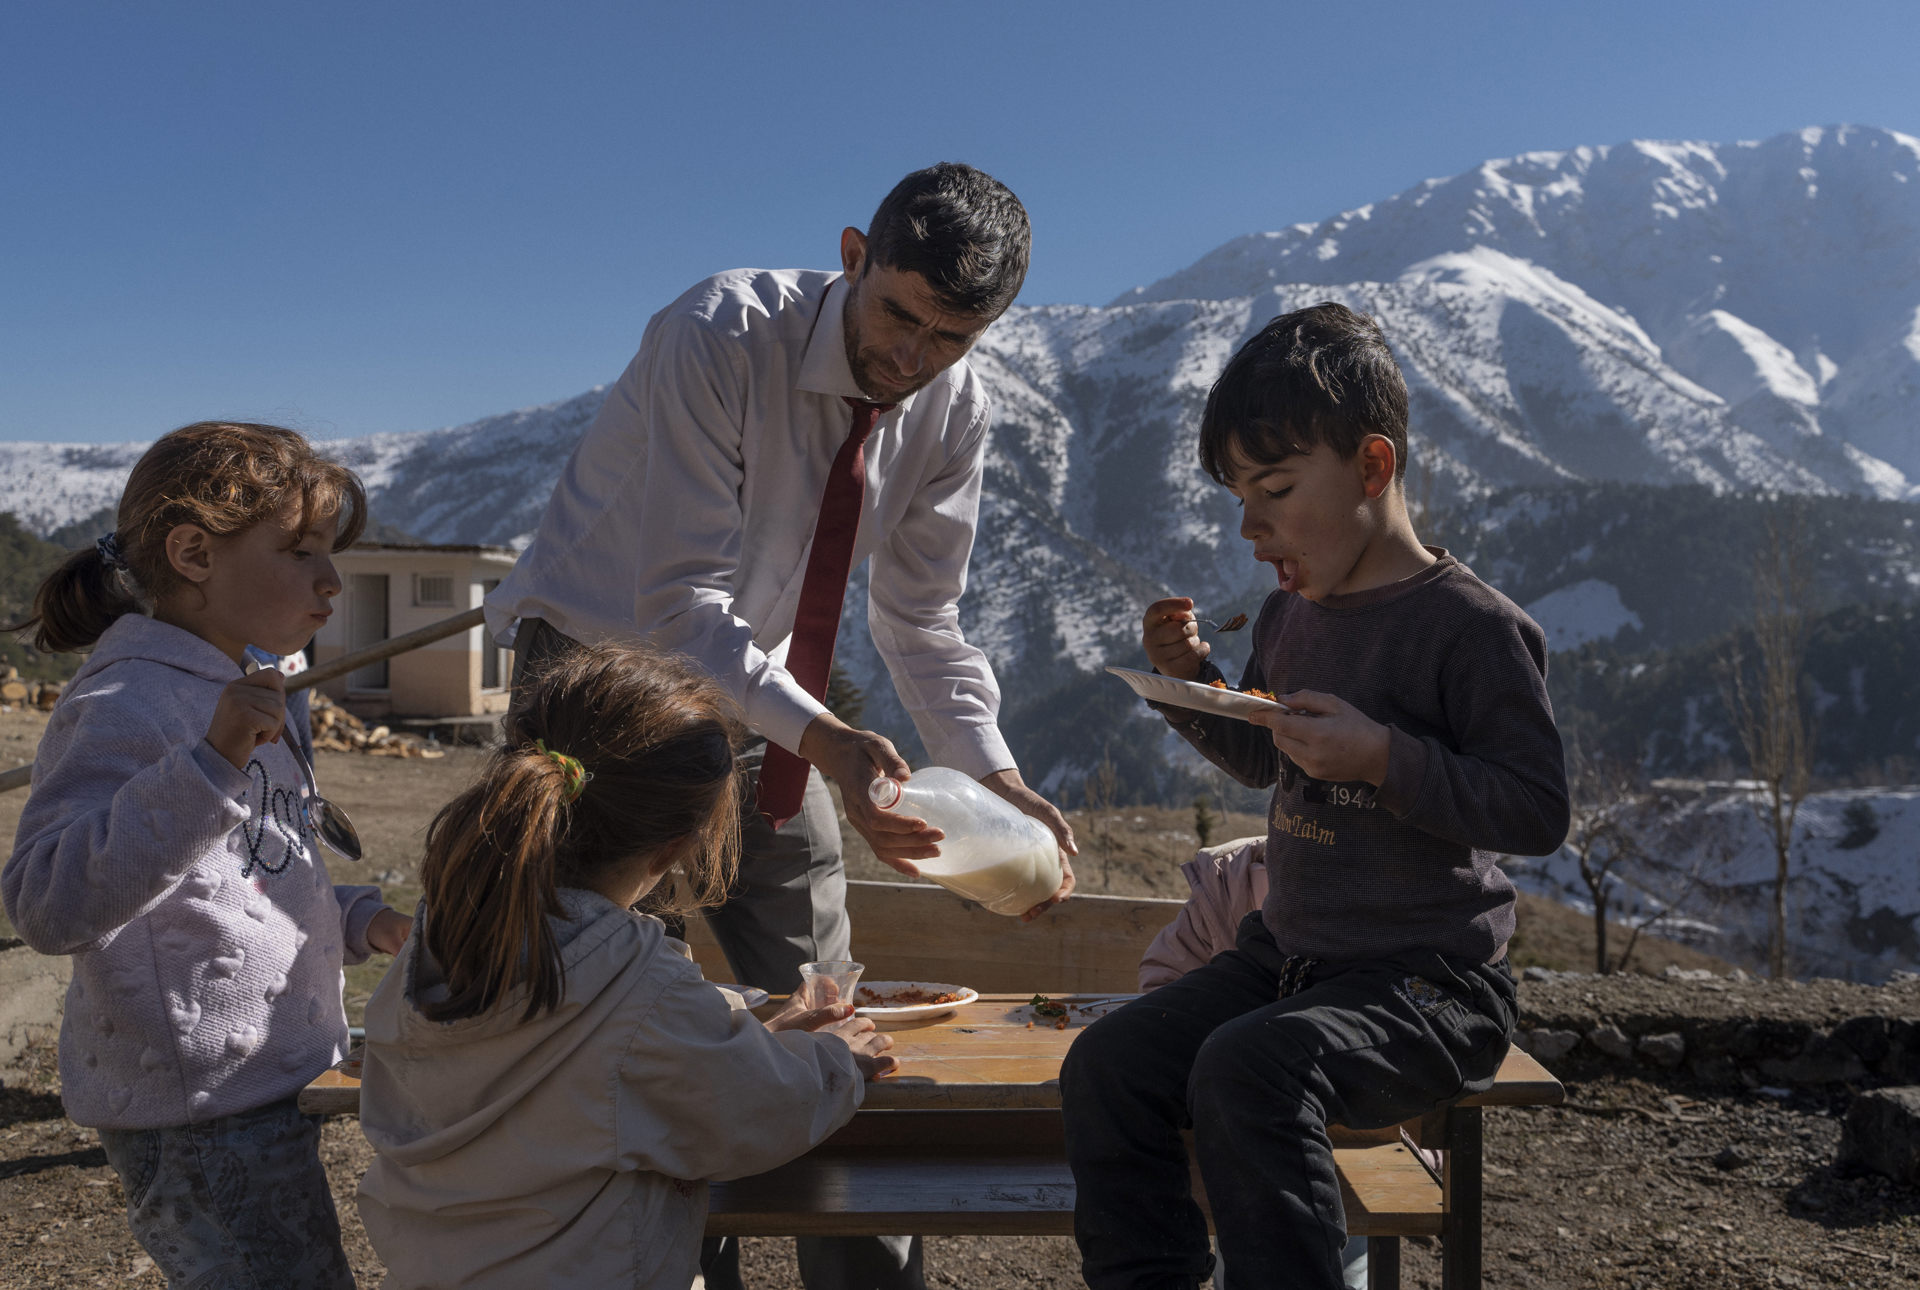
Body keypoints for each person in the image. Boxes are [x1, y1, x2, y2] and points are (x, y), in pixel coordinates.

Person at [484, 162, 1076, 1288]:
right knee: (612, 1003)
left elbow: (922, 618)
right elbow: (680, 608)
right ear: (852, 254)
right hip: (599, 689)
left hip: (766, 705)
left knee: (829, 1008)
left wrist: (994, 777)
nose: (911, 359)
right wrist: (835, 745)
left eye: (952, 337)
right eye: (898, 314)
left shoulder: (953, 407)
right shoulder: (718, 333)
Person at [1061, 303, 1570, 1290]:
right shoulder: (1294, 614)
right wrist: (1197, 682)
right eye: (1237, 496)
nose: (1250, 528)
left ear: (1373, 470)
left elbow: (1535, 809)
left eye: (1276, 490)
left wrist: (1385, 756)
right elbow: (1267, 759)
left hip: (1427, 986)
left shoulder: (1469, 629)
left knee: (1250, 1070)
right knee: (1106, 1067)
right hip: (1289, 963)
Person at [2, 422, 413, 1290]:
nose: (332, 581)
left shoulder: (248, 686)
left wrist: (361, 920)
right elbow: (47, 903)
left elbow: (240, 873)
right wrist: (209, 762)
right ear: (193, 553)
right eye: (301, 552)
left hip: (268, 1079)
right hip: (197, 1114)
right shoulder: (129, 700)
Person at [355, 641, 897, 1288]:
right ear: (673, 849)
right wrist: (835, 1059)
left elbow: (596, 1089)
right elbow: (751, 1112)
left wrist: (756, 1042)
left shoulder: (440, 945)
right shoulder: (634, 984)